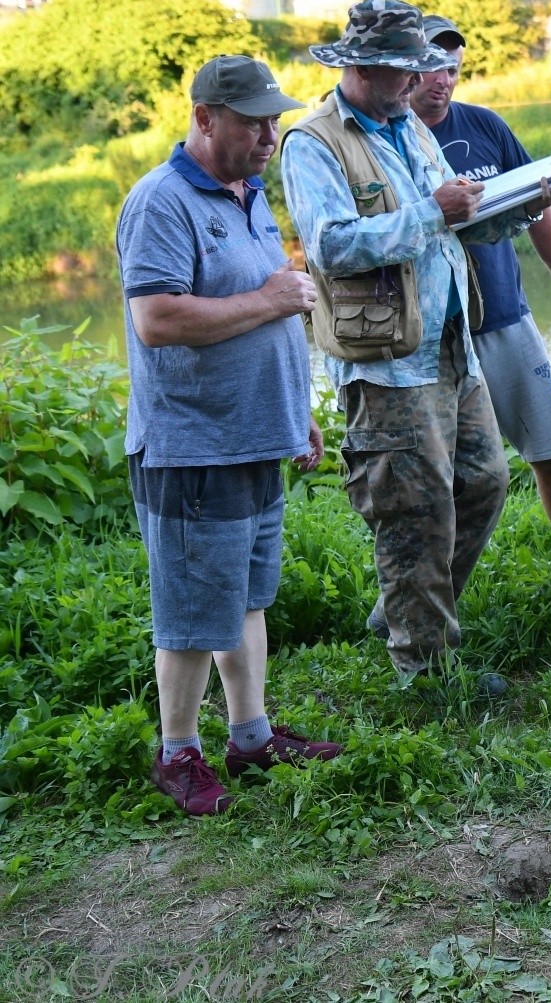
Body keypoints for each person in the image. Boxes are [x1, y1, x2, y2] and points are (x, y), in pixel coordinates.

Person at [280, 0, 551, 688]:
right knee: (415, 509)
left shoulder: (408, 125)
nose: (419, 84)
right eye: (406, 73)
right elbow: (330, 247)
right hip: (387, 363)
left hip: (451, 344)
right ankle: (426, 667)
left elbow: (453, 229)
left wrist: (526, 201)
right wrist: (431, 210)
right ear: (364, 67)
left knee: (484, 482)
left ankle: (403, 608)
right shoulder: (313, 141)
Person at [118, 55, 344, 816]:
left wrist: (294, 409)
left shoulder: (245, 195)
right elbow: (159, 318)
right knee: (190, 612)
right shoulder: (163, 201)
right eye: (251, 120)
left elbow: (260, 316)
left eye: (273, 119)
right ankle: (177, 752)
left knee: (244, 598)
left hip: (251, 438)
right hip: (191, 448)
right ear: (205, 118)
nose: (268, 133)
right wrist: (273, 294)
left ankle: (249, 738)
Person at [408, 14, 551, 556]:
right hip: (432, 335)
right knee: (446, 475)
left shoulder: (485, 126)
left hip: (506, 320)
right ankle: (430, 591)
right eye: (430, 67)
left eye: (452, 68)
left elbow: (538, 213)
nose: (443, 79)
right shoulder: (390, 141)